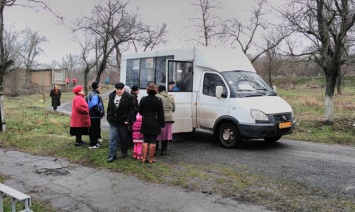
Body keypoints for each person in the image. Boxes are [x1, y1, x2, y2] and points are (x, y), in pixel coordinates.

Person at [106, 82, 135, 162]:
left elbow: (131, 109)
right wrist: (108, 116)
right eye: (117, 89)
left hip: (123, 121)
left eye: (120, 89)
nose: (119, 91)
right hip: (113, 120)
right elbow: (109, 106)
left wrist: (128, 120)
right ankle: (112, 155)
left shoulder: (129, 97)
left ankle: (124, 152)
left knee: (123, 137)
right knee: (113, 138)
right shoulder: (111, 95)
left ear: (123, 89)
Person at [138, 84, 165, 163]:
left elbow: (140, 111)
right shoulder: (158, 100)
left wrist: (145, 115)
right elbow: (161, 113)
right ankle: (151, 159)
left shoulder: (143, 99)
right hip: (155, 120)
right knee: (153, 140)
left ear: (148, 90)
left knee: (145, 140)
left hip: (145, 119)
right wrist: (162, 124)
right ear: (155, 90)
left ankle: (143, 158)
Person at [156, 85, 175, 156]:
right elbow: (174, 108)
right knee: (166, 134)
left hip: (159, 117)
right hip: (169, 117)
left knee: (157, 133)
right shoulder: (170, 97)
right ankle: (164, 149)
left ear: (158, 90)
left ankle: (156, 147)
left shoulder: (157, 96)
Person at [87, 81, 105, 149]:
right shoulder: (94, 95)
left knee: (95, 130)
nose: (100, 87)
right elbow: (93, 106)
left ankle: (95, 143)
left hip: (94, 115)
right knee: (95, 130)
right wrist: (100, 112)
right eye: (99, 86)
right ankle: (92, 144)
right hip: (94, 116)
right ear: (96, 87)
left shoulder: (93, 93)